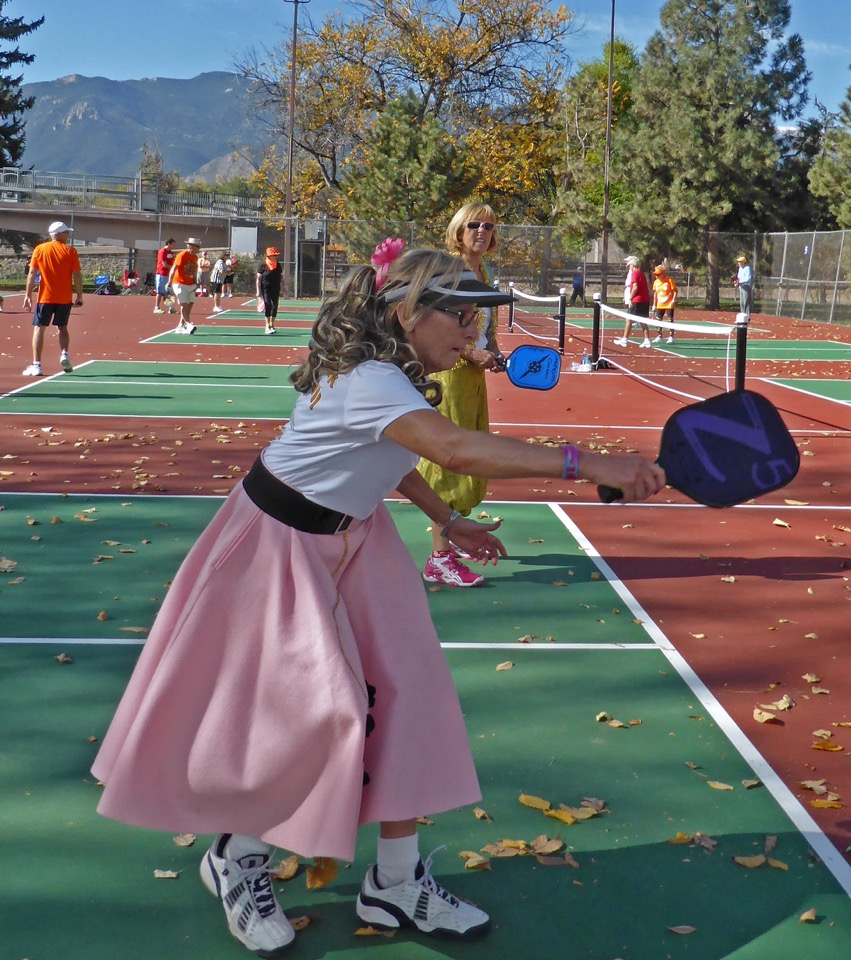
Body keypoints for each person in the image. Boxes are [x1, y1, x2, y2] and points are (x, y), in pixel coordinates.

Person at [89, 247, 664, 956]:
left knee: (411, 693)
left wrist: (442, 518)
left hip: (357, 536)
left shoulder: (398, 376)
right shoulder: (370, 378)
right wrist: (588, 462)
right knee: (310, 717)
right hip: (278, 545)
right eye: (459, 316)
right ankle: (236, 857)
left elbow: (391, 458)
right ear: (407, 312)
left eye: (477, 320)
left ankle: (396, 880)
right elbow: (451, 449)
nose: (471, 334)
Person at [416, 205, 505, 587]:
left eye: (488, 225)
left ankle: (454, 538)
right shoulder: (449, 272)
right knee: (447, 464)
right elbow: (438, 328)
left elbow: (486, 331)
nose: (481, 231)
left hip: (472, 382)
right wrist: (472, 353)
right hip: (448, 377)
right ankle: (440, 558)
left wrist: (494, 352)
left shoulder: (486, 273)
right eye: (474, 224)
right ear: (458, 229)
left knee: (470, 459)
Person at [21, 221, 83, 376]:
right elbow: (77, 275)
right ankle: (64, 354)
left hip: (45, 297)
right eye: (66, 232)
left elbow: (32, 273)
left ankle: (37, 364)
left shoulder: (40, 249)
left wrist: (28, 295)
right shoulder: (70, 251)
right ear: (60, 234)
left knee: (39, 328)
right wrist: (80, 296)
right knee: (62, 327)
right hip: (64, 298)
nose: (68, 235)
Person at [614, 255, 652, 348]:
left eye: (629, 264)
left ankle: (624, 340)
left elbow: (635, 287)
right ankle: (647, 340)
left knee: (629, 320)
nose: (628, 266)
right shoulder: (641, 273)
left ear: (632, 264)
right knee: (643, 320)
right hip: (644, 300)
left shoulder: (635, 273)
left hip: (637, 300)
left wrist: (630, 298)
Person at [168, 237, 202, 334]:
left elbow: (194, 272)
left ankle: (180, 326)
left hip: (190, 284)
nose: (198, 249)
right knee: (184, 304)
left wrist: (196, 284)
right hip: (179, 283)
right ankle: (188, 324)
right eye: (197, 246)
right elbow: (174, 268)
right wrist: (169, 281)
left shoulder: (195, 258)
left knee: (189, 305)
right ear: (191, 247)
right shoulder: (182, 255)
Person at [256, 246, 283, 334]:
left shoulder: (278, 265)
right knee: (268, 305)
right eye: (274, 255)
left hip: (276, 287)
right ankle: (267, 326)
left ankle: (272, 325)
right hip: (265, 287)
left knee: (275, 306)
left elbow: (280, 276)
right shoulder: (263, 265)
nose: (276, 256)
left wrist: (284, 285)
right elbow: (258, 278)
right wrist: (257, 291)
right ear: (268, 256)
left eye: (276, 255)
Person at [651, 264, 678, 344]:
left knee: (670, 319)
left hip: (669, 303)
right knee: (658, 320)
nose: (656, 276)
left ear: (663, 274)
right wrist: (654, 304)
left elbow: (675, 291)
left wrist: (673, 300)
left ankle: (671, 336)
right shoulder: (656, 282)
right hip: (660, 303)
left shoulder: (669, 281)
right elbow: (655, 294)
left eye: (658, 274)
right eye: (655, 274)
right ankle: (659, 336)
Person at [153, 238, 176, 315]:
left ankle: (171, 308)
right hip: (161, 274)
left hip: (169, 275)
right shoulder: (162, 251)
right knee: (160, 292)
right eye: (172, 244)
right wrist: (173, 268)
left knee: (169, 292)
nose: (173, 246)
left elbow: (172, 262)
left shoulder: (171, 253)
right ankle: (157, 307)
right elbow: (164, 264)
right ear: (169, 244)